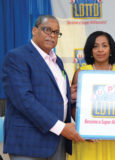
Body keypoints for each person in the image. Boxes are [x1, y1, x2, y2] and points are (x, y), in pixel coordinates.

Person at [1, 15, 84, 160]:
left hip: (57, 142)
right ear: (34, 30)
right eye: (47, 30)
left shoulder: (57, 61)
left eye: (56, 32)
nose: (52, 35)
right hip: (28, 143)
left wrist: (67, 96)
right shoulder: (17, 57)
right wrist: (62, 128)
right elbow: (23, 100)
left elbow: (51, 95)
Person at [68, 31, 115, 160]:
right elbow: (74, 106)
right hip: (88, 138)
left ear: (111, 49)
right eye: (95, 46)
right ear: (90, 50)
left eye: (104, 46)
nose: (100, 50)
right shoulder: (81, 73)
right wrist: (84, 128)